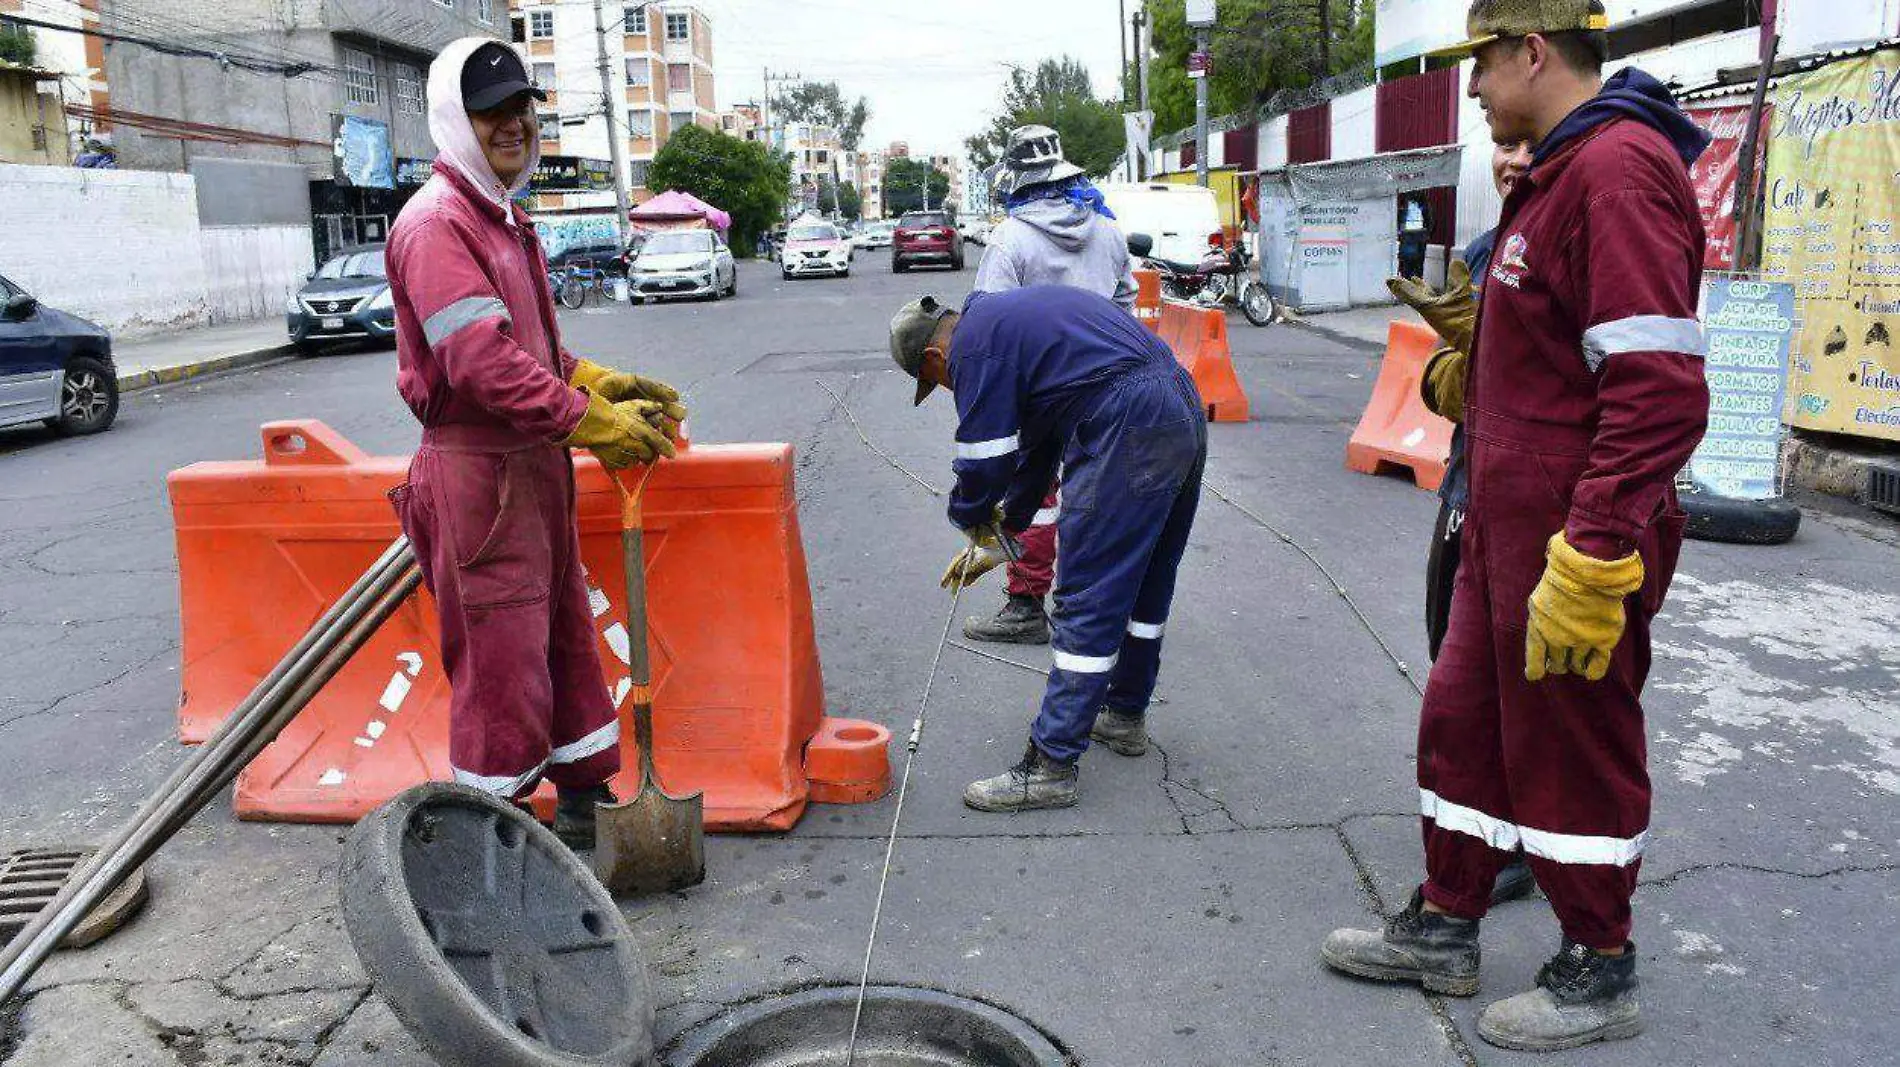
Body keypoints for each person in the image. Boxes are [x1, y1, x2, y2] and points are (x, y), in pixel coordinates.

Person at [1319, 0, 1711, 1052]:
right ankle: (1445, 921)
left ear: (1534, 49)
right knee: (1463, 723)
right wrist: (1474, 371)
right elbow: (1558, 355)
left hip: (1570, 531)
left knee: (1572, 742)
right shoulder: (1553, 173)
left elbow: (1657, 388)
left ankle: (1598, 964)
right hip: (1499, 521)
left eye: (1483, 63)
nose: (1475, 86)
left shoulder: (1617, 170)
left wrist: (1593, 549)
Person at [384, 38, 686, 850]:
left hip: (530, 468)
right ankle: (497, 844)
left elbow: (526, 353)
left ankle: (589, 809)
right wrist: (591, 422)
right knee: (502, 668)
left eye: (522, 108)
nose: (514, 124)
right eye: (493, 112)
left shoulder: (499, 216)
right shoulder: (438, 225)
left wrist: (602, 381)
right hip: (482, 478)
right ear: (456, 119)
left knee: (564, 643)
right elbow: (480, 365)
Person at [888, 286, 1205, 811]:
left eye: (937, 384)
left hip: (1126, 421)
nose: (950, 389)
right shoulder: (1013, 328)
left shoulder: (973, 348)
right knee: (1148, 581)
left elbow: (985, 459)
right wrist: (1001, 541)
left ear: (933, 357)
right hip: (1175, 404)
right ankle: (1124, 715)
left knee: (1087, 598)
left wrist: (968, 520)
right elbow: (1035, 457)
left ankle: (1052, 764)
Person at [1391, 137, 1537, 909]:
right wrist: (1464, 365)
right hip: (1464, 488)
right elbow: (1435, 378)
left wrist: (1491, 362)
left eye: (1529, 143)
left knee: (1508, 684)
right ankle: (1484, 833)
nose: (1513, 159)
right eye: (1503, 146)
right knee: (1450, 654)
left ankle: (1512, 839)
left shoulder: (1558, 245)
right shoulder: (1485, 251)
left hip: (1528, 504)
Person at [960, 125, 1140, 650]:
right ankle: (1090, 607)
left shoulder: (1010, 239)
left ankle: (1025, 606)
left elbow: (990, 326)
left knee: (1035, 496)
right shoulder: (1107, 230)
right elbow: (1127, 303)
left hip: (1041, 391)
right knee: (1099, 495)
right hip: (1112, 386)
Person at [1398, 194, 1431, 279]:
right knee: (1411, 265)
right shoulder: (1422, 203)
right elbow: (1429, 219)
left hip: (1415, 235)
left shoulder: (1404, 202)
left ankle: (1413, 283)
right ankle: (1410, 282)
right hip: (1411, 235)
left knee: (1415, 265)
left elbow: (1428, 219)